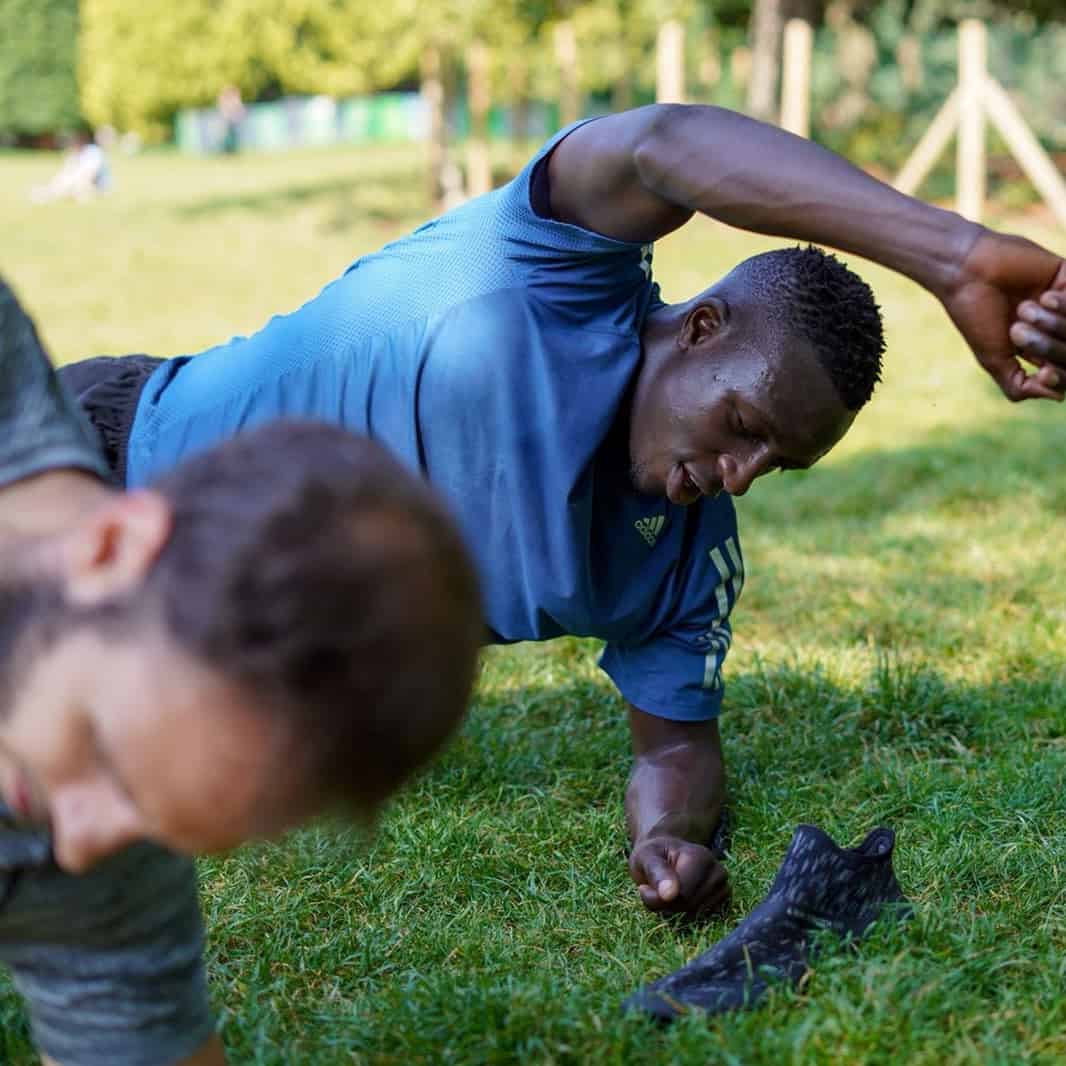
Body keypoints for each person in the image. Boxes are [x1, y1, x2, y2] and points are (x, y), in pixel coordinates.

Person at [61, 103, 1066, 922]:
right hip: (84, 463)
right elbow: (666, 145)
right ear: (698, 328)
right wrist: (954, 253)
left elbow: (672, 745)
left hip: (168, 657)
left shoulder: (679, 563)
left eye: (777, 463)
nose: (743, 474)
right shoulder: (555, 274)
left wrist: (665, 837)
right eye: (742, 422)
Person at [0, 278, 482, 1065]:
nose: (81, 847)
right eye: (107, 756)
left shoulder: (105, 838)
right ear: (113, 550)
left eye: (156, 826)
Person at [30, 129, 113, 204]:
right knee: (66, 179)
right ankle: (49, 191)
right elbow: (68, 169)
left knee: (70, 182)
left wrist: (77, 185)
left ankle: (48, 193)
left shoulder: (93, 151)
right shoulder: (82, 152)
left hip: (98, 187)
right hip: (84, 182)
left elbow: (89, 174)